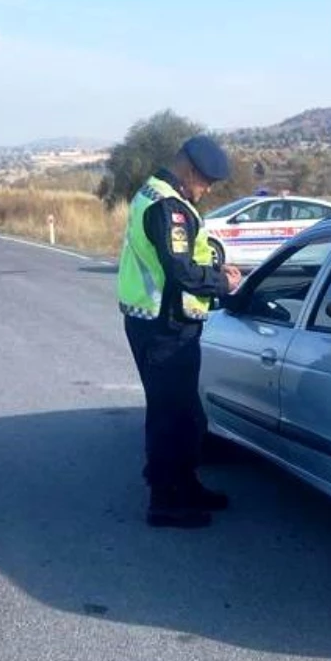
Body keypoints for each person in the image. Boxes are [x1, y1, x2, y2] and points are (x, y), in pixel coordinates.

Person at [116, 135, 243, 529]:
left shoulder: (153, 194)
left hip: (161, 323)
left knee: (185, 413)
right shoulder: (168, 207)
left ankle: (185, 485)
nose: (205, 191)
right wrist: (223, 282)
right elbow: (182, 270)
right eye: (205, 182)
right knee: (171, 415)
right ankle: (166, 500)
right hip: (164, 328)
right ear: (189, 171)